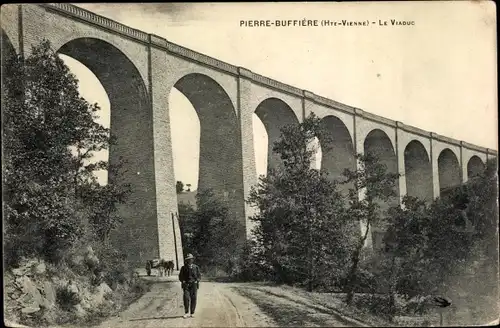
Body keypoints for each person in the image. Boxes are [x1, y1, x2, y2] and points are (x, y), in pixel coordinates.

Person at [178, 253, 201, 318]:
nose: (189, 260)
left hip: (194, 285)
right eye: (188, 259)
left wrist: (197, 280)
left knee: (194, 298)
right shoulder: (183, 268)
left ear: (192, 260)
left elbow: (199, 275)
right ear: (186, 260)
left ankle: (192, 312)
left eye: (191, 259)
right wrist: (183, 281)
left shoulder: (196, 267)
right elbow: (180, 276)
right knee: (186, 298)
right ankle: (186, 312)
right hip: (186, 285)